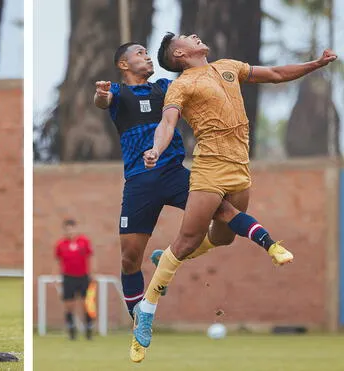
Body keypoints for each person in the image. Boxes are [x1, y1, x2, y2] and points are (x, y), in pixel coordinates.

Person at [133, 31, 338, 360]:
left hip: (240, 167)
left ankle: (166, 259)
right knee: (187, 241)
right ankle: (147, 307)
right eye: (187, 37)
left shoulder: (228, 66)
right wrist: (156, 149)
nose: (195, 35)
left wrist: (315, 64)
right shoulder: (182, 84)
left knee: (225, 237)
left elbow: (273, 74)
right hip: (209, 168)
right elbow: (167, 123)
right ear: (180, 55)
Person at [93, 41, 280, 363]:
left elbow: (193, 90)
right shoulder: (117, 95)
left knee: (223, 212)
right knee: (129, 259)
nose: (147, 56)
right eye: (139, 54)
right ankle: (138, 318)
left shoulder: (169, 87)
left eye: (148, 52)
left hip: (177, 174)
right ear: (123, 65)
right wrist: (99, 94)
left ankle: (270, 243)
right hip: (138, 183)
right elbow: (102, 101)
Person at [54, 219, 94, 340]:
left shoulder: (84, 241)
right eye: (67, 229)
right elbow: (57, 261)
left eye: (71, 228)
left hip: (83, 277)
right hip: (68, 277)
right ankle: (71, 331)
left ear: (75, 229)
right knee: (69, 305)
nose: (70, 231)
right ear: (64, 230)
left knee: (86, 304)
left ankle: (89, 330)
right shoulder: (60, 244)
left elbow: (91, 257)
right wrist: (55, 276)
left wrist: (93, 274)